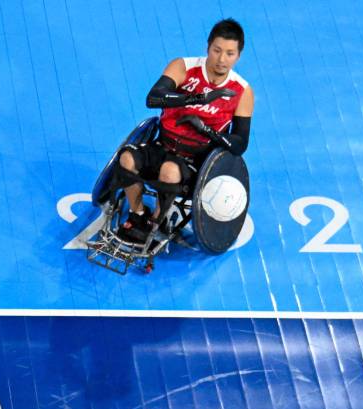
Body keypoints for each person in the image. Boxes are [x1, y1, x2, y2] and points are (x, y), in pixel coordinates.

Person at [103, 18, 255, 242]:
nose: (222, 59)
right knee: (127, 158)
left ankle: (156, 221)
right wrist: (200, 98)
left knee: (170, 171)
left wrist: (205, 130)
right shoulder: (183, 67)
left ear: (238, 55)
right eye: (217, 50)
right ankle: (137, 215)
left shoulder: (242, 91)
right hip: (161, 145)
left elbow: (240, 143)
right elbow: (153, 98)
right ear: (208, 47)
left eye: (230, 54)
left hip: (194, 160)